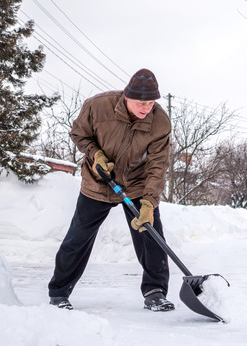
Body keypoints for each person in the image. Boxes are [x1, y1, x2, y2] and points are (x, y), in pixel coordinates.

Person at [47, 68, 174, 312]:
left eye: (150, 102)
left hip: (136, 184)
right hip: (99, 180)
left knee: (151, 235)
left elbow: (158, 166)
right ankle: (59, 292)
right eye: (140, 102)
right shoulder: (98, 106)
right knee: (78, 237)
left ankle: (155, 291)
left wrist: (149, 203)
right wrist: (96, 155)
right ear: (127, 96)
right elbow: (79, 134)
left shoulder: (160, 122)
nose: (146, 108)